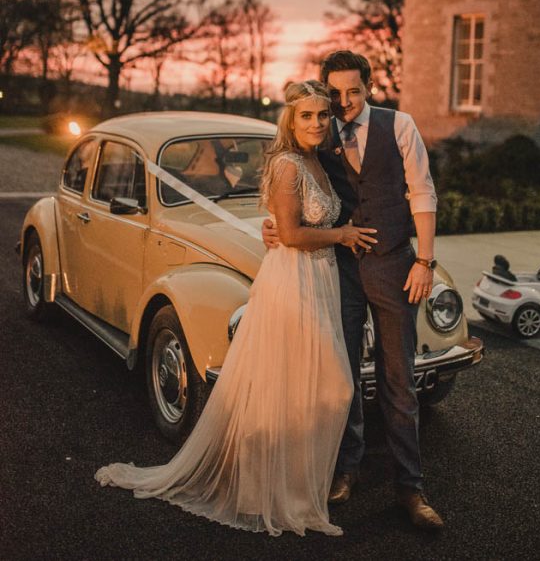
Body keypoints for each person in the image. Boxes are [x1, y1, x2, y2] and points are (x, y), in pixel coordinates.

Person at [95, 80, 377, 537]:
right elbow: (289, 234)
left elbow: (307, 220)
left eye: (323, 115)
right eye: (306, 115)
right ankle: (280, 492)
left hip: (321, 278)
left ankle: (293, 486)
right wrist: (342, 236)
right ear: (291, 119)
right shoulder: (287, 164)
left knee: (313, 386)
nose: (316, 123)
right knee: (329, 386)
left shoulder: (317, 160)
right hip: (295, 278)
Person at [263, 51, 443, 530]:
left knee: (398, 378)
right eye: (335, 93)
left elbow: (423, 192)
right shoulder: (319, 133)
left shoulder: (399, 125)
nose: (343, 103)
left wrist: (425, 260)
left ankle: (411, 488)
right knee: (340, 374)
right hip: (339, 270)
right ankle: (347, 469)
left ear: (369, 87)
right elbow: (295, 192)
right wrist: (276, 227)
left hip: (395, 267)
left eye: (353, 91)